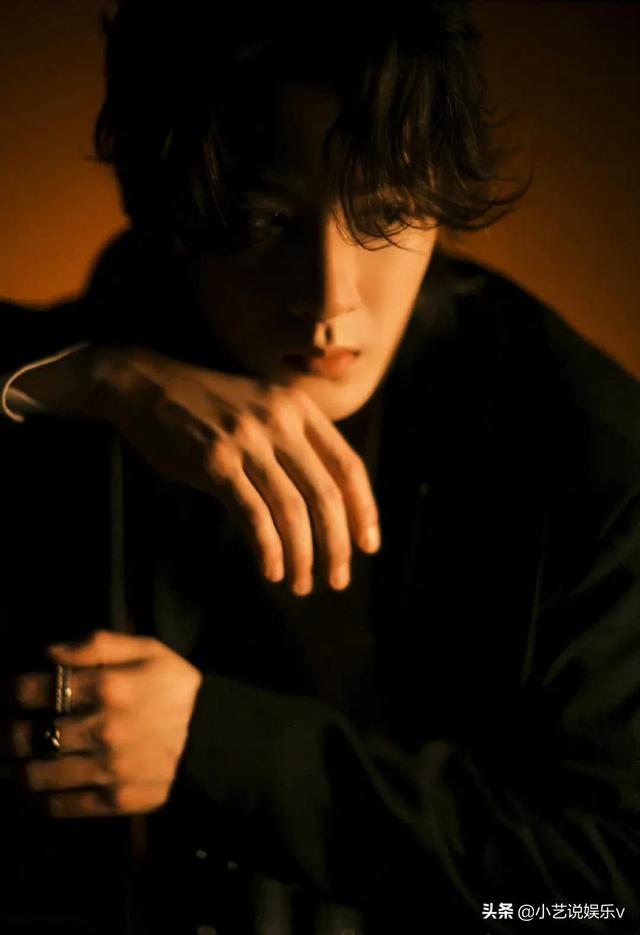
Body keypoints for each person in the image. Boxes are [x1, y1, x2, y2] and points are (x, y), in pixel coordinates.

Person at [1, 2, 640, 933]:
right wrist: (83, 378)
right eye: (267, 220)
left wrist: (214, 750)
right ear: (181, 215)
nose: (332, 300)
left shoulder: (588, 459)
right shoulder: (124, 324)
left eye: (385, 213)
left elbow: (598, 898)